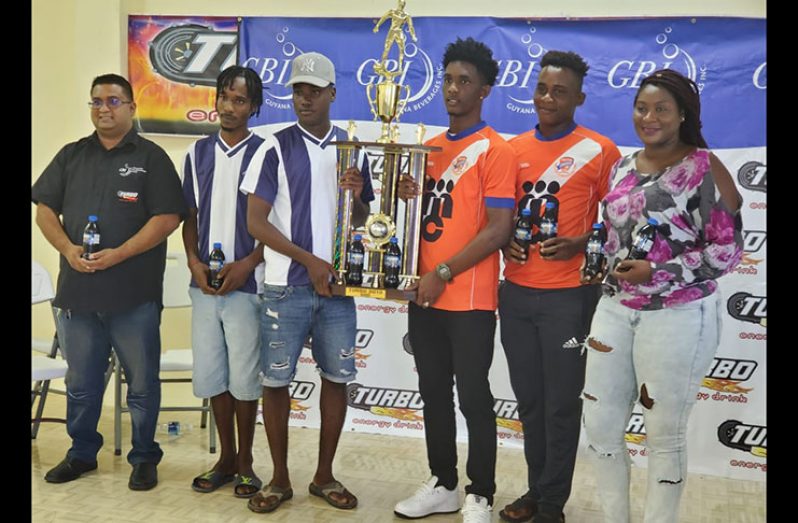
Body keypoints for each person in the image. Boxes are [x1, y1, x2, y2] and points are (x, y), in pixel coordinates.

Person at [580, 69, 743, 523]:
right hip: (614, 309)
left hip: (678, 317)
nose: (648, 117)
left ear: (682, 115)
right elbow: (615, 235)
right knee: (600, 427)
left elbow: (728, 252)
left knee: (663, 435)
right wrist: (597, 260)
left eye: (661, 109)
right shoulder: (624, 166)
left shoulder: (704, 168)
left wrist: (659, 270)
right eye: (641, 107)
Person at [32, 73, 186, 490]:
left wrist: (120, 254)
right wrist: (66, 248)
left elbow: (168, 217)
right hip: (78, 294)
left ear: (132, 108)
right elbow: (44, 208)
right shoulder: (71, 155)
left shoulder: (151, 157)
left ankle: (143, 457)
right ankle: (82, 454)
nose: (104, 108)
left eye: (114, 101)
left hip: (132, 294)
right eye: (97, 101)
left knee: (141, 382)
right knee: (81, 383)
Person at [240, 51, 374, 514]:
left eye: (314, 90)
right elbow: (256, 223)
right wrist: (309, 260)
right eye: (298, 90)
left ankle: (324, 476)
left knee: (337, 379)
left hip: (337, 290)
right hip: (285, 287)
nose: (304, 98)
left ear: (333, 93)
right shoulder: (272, 147)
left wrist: (357, 195)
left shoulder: (352, 148)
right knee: (275, 383)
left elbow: (364, 220)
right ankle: (278, 479)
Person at [393, 37, 516, 523]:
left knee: (473, 396)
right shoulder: (428, 149)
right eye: (447, 79)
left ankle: (480, 492)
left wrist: (443, 272)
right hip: (425, 297)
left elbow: (498, 229)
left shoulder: (496, 150)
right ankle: (443, 483)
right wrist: (402, 197)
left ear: (484, 90)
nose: (453, 89)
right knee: (432, 393)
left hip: (467, 298)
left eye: (465, 81)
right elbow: (418, 224)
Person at [497, 51, 622, 523]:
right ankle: (535, 491)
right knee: (530, 402)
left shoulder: (601, 150)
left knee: (560, 407)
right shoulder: (511, 149)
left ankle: (552, 505)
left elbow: (622, 223)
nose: (548, 98)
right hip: (516, 293)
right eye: (543, 89)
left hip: (570, 297)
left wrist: (580, 242)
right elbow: (499, 216)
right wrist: (506, 240)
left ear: (579, 98)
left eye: (560, 91)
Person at [181, 65, 266, 497]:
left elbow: (274, 224)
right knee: (214, 374)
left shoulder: (267, 152)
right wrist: (194, 262)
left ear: (253, 107)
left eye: (239, 100)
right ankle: (226, 459)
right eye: (223, 97)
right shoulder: (196, 154)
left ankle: (248, 462)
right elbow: (190, 218)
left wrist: (248, 263)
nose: (228, 107)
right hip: (205, 286)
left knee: (245, 376)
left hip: (246, 286)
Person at [372, 0, 417, 77]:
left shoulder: (406, 15)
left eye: (403, 4)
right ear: (398, 4)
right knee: (387, 48)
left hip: (399, 32)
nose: (401, 5)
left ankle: (400, 68)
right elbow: (384, 17)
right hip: (392, 31)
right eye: (400, 3)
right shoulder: (392, 11)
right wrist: (377, 26)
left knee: (401, 50)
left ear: (404, 5)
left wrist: (413, 36)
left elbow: (411, 26)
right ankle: (382, 65)